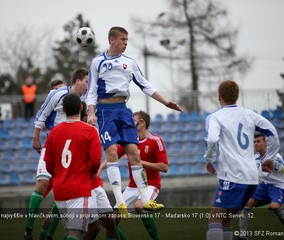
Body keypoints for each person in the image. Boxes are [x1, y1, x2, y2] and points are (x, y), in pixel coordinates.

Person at [86, 26, 183, 216]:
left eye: (127, 40)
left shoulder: (129, 62)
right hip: (105, 111)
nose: (125, 43)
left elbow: (146, 85)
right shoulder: (97, 62)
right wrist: (91, 113)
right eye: (122, 39)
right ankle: (120, 202)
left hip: (123, 110)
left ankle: (146, 200)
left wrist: (165, 102)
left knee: (135, 154)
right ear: (112, 39)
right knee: (112, 153)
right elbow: (90, 91)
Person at [204, 80, 280, 240]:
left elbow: (211, 139)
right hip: (252, 178)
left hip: (233, 175)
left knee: (215, 218)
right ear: (237, 97)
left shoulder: (215, 117)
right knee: (226, 219)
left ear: (219, 97)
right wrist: (269, 159)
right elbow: (272, 132)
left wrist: (209, 159)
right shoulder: (249, 114)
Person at [24, 68, 88, 240]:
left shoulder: (85, 101)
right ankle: (29, 229)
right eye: (87, 82)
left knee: (65, 189)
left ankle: (49, 233)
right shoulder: (57, 95)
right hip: (53, 146)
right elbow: (41, 115)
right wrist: (36, 137)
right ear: (77, 81)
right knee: (43, 183)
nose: (89, 85)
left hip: (72, 151)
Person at [44, 93, 102, 240]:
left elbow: (49, 164)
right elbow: (96, 161)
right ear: (81, 107)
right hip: (79, 189)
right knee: (74, 233)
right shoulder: (90, 131)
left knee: (93, 226)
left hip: (60, 190)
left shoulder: (53, 132)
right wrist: (89, 175)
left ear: (63, 110)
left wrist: (60, 175)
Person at [117, 110, 168, 240]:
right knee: (111, 218)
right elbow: (113, 156)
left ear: (142, 123)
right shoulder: (129, 141)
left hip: (150, 185)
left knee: (139, 206)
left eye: (133, 121)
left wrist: (139, 162)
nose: (130, 124)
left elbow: (164, 167)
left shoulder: (155, 141)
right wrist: (99, 167)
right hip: (132, 186)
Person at [238, 133, 284, 239]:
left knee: (275, 207)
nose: (256, 144)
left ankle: (273, 202)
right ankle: (242, 236)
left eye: (259, 141)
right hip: (264, 185)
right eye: (254, 142)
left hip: (278, 186)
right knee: (247, 204)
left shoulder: (274, 157)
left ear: (265, 143)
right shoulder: (255, 158)